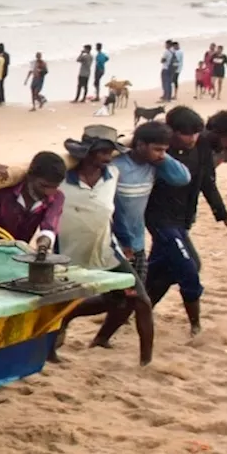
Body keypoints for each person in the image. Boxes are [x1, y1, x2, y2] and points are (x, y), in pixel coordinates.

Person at [48, 127, 154, 364]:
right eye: (102, 152)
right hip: (67, 252)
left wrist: (126, 240)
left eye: (110, 152)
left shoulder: (112, 175)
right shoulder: (62, 180)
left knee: (140, 300)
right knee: (57, 308)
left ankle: (146, 361)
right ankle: (50, 352)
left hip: (106, 249)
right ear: (87, 153)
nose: (107, 157)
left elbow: (115, 211)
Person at [91, 121, 190, 354]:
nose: (161, 154)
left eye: (165, 150)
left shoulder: (155, 165)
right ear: (140, 145)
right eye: (157, 149)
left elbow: (182, 178)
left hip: (137, 242)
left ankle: (101, 339)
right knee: (135, 299)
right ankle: (145, 359)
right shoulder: (116, 166)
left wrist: (162, 158)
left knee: (123, 303)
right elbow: (109, 208)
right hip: (115, 243)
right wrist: (123, 242)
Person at [141, 107, 227, 335]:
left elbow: (207, 183)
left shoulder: (203, 148)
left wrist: (225, 218)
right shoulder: (163, 149)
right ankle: (195, 325)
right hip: (160, 218)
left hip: (182, 219)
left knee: (163, 269)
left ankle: (139, 306)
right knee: (189, 267)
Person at [0, 151, 65, 250]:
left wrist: (42, 247)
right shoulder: (2, 188)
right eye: (43, 186)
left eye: (54, 187)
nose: (49, 192)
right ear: (30, 176)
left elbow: (49, 228)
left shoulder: (56, 197)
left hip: (18, 254)